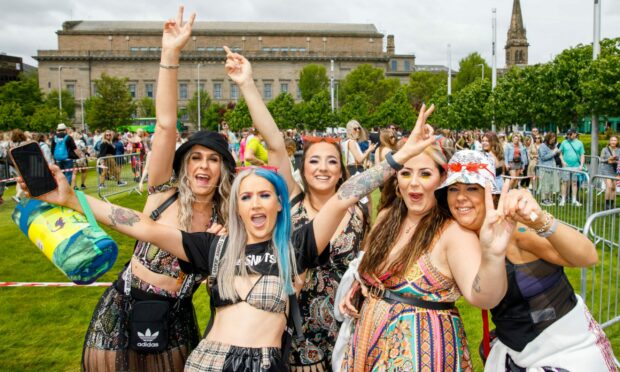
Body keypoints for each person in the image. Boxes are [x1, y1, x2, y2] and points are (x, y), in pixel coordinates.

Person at [22, 97, 439, 371]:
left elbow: (346, 195)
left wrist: (400, 155)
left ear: (280, 204)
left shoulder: (296, 246)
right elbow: (133, 222)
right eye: (247, 196)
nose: (256, 203)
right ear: (235, 205)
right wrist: (70, 198)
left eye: (265, 195)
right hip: (207, 362)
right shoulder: (212, 247)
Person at [79, 8, 236, 371]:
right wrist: (170, 54)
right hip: (122, 312)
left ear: (223, 169)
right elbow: (165, 126)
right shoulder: (163, 191)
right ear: (184, 165)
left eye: (213, 160)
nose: (203, 165)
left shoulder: (227, 216)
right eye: (195, 157)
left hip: (177, 322)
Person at [224, 46, 370, 370]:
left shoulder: (359, 211)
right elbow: (274, 141)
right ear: (302, 169)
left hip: (347, 327)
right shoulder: (289, 201)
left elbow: (369, 261)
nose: (322, 168)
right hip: (296, 330)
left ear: (341, 170)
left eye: (331, 161)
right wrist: (247, 84)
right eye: (314, 161)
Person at [339, 113, 516, 371]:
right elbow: (369, 265)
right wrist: (358, 284)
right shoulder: (387, 217)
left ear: (442, 180)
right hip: (369, 340)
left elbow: (483, 297)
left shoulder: (452, 233)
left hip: (423, 353)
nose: (413, 184)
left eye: (424, 174)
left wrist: (493, 254)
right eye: (406, 173)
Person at [436, 149, 616, 371]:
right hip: (515, 350)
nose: (461, 197)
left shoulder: (515, 230)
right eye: (453, 188)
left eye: (472, 188)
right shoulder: (459, 236)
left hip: (565, 350)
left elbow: (588, 256)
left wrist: (540, 220)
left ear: (490, 193)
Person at [559, 129, 585, 207]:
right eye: (568, 134)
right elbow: (560, 152)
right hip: (566, 166)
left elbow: (582, 155)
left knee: (574, 183)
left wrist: (581, 165)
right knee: (564, 182)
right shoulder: (564, 142)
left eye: (570, 134)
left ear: (574, 134)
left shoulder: (579, 143)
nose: (568, 136)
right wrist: (562, 161)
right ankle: (563, 199)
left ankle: (574, 200)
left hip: (576, 166)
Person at [599, 135, 619, 210]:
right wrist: (608, 160)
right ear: (609, 141)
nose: (613, 142)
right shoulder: (605, 149)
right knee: (609, 186)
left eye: (615, 140)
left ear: (617, 142)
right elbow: (601, 159)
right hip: (606, 170)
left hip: (615, 170)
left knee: (613, 188)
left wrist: (615, 160)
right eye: (612, 140)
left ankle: (612, 204)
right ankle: (607, 204)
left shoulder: (619, 150)